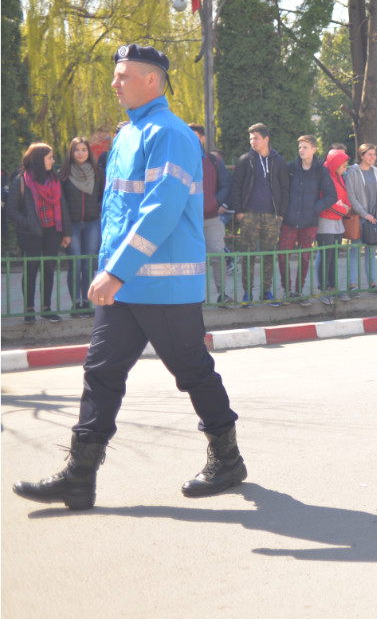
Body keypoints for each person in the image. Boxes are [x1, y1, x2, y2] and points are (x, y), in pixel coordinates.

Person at [13, 43, 244, 510]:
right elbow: (118, 212)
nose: (114, 82)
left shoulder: (171, 134)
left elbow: (161, 210)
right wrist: (110, 270)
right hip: (127, 283)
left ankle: (228, 457)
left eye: (123, 75)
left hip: (163, 284)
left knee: (191, 371)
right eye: (116, 75)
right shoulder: (127, 135)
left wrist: (114, 272)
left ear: (152, 80)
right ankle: (79, 477)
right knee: (101, 373)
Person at [10, 143, 72, 322]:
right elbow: (12, 210)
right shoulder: (21, 180)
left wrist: (66, 233)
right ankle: (29, 310)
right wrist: (27, 222)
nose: (53, 160)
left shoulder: (54, 179)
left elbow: (63, 206)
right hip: (30, 234)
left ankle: (47, 308)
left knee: (49, 269)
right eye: (50, 157)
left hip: (53, 231)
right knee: (31, 270)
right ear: (39, 159)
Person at [230, 123, 289, 305]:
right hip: (249, 215)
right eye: (250, 138)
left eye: (255, 138)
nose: (252, 141)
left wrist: (281, 214)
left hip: (272, 216)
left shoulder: (278, 161)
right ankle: (247, 293)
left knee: (268, 255)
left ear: (266, 139)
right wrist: (239, 212)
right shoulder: (245, 159)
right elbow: (236, 187)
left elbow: (285, 188)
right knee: (247, 255)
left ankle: (266, 292)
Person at [278, 135, 336, 306]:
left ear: (314, 150)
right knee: (283, 254)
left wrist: (314, 208)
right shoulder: (290, 168)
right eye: (300, 147)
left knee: (304, 258)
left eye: (305, 147)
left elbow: (331, 195)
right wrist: (284, 211)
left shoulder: (321, 170)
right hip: (289, 220)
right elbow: (282, 191)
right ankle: (287, 291)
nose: (301, 150)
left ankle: (298, 291)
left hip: (309, 222)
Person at [188, 125, 232, 304]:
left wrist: (214, 201)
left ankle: (223, 294)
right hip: (188, 219)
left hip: (211, 217)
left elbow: (226, 185)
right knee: (190, 258)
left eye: (195, 136)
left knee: (218, 255)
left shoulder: (214, 161)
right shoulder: (179, 160)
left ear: (203, 138)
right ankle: (193, 296)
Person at [344, 143, 377, 293]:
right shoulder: (353, 171)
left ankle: (373, 283)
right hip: (360, 218)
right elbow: (351, 196)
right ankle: (352, 284)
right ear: (361, 155)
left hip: (376, 219)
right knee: (354, 250)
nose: (373, 157)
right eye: (369, 154)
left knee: (372, 252)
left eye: (374, 154)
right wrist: (364, 214)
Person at [61, 136, 105, 312]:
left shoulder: (98, 173)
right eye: (77, 150)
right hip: (72, 226)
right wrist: (65, 229)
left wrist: (97, 208)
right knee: (76, 264)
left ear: (89, 152)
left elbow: (104, 196)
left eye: (83, 150)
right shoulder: (64, 175)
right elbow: (61, 203)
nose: (80, 153)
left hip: (92, 223)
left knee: (88, 264)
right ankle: (76, 303)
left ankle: (87, 302)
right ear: (72, 153)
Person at [315, 148, 352, 305]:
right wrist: (344, 208)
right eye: (343, 166)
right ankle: (323, 288)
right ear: (335, 164)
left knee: (333, 256)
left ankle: (333, 286)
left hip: (337, 221)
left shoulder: (338, 177)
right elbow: (328, 199)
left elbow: (344, 196)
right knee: (326, 255)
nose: (345, 169)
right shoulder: (325, 175)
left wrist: (345, 206)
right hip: (326, 220)